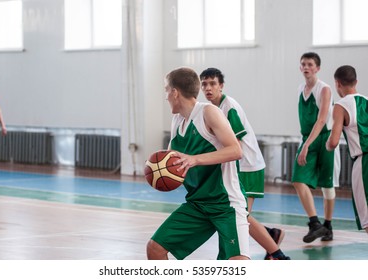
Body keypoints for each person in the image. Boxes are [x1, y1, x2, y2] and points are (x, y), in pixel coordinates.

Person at [146, 67, 250, 260]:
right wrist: (157, 169)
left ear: (175, 92)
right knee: (155, 248)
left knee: (237, 263)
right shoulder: (177, 120)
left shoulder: (209, 112)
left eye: (166, 90)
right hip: (198, 204)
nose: (166, 96)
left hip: (225, 204)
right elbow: (172, 159)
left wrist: (194, 159)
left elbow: (236, 150)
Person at [200, 67, 289, 260]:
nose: (208, 88)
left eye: (213, 83)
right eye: (204, 84)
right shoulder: (212, 109)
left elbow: (235, 145)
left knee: (239, 216)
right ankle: (271, 236)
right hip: (240, 167)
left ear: (221, 86)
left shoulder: (228, 107)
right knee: (238, 215)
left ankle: (278, 254)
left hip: (247, 166)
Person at [292, 52, 340, 243]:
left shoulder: (325, 89)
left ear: (317, 68)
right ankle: (315, 223)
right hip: (308, 138)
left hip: (324, 138)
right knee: (298, 179)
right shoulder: (300, 89)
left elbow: (321, 120)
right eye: (303, 64)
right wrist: (305, 143)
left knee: (327, 185)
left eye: (310, 64)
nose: (306, 67)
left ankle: (328, 226)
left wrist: (306, 145)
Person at [326, 65, 368, 234]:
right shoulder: (366, 100)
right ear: (356, 81)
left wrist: (327, 145)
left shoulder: (341, 105)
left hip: (364, 162)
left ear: (337, 84)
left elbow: (334, 141)